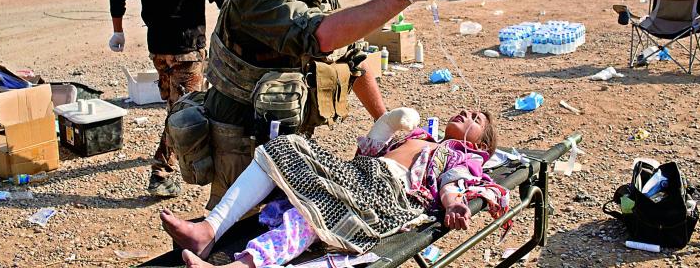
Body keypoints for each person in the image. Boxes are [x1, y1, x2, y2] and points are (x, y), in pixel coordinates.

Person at [201, 0, 446, 209]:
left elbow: (352, 57)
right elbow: (320, 36)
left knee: (289, 225)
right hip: (242, 140)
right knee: (238, 227)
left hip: (288, 136)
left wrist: (384, 123)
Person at [161, 109, 509, 268]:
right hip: (358, 174)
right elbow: (368, 151)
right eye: (469, 111)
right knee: (284, 147)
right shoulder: (423, 137)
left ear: (480, 146)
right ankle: (208, 229)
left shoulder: (460, 155)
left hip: (387, 196)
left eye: (477, 120)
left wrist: (453, 203)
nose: (467, 113)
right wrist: (387, 125)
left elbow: (453, 182)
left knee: (313, 214)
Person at [109, 0, 229, 197]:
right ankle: (161, 173)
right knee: (182, 111)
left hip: (159, 50)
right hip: (187, 51)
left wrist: (118, 31)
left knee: (175, 105)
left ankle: (176, 148)